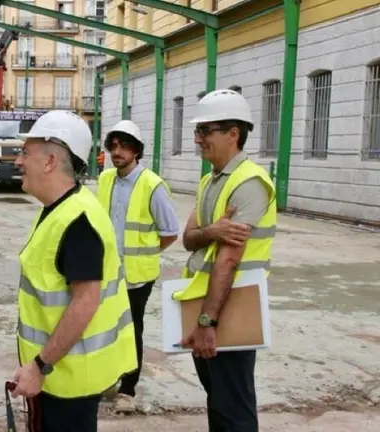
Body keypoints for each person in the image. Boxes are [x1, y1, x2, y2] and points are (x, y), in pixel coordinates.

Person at [9, 110, 138, 432]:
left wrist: (40, 366)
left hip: (70, 381)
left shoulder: (77, 221)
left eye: (25, 153)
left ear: (50, 161)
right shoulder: (62, 210)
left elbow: (85, 302)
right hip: (60, 375)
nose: (17, 162)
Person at [176, 89, 276, 431]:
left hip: (233, 308)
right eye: (197, 131)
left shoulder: (249, 183)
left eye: (205, 131)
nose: (197, 139)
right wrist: (212, 231)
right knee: (218, 399)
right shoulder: (210, 181)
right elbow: (189, 239)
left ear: (233, 134)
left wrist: (207, 323)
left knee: (233, 405)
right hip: (209, 304)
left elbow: (229, 261)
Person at [96, 120, 180, 413]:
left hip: (136, 277)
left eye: (124, 146)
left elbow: (170, 232)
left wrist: (146, 253)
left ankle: (127, 390)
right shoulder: (105, 180)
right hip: (107, 273)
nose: (117, 152)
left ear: (137, 151)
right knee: (105, 328)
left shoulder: (152, 185)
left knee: (132, 331)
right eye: (113, 146)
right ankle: (108, 378)